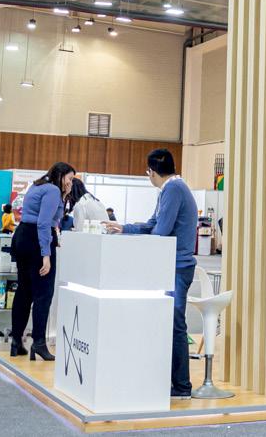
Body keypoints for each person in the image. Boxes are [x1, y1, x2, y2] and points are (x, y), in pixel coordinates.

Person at [105, 149, 197, 399]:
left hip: (177, 266)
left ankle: (182, 386)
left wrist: (136, 231)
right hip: (173, 265)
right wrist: (125, 228)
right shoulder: (172, 188)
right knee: (170, 322)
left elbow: (160, 230)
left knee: (175, 324)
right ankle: (175, 383)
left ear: (152, 172)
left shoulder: (173, 189)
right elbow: (153, 224)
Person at [11, 162, 75, 361]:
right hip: (37, 241)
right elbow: (44, 223)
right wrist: (45, 254)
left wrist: (65, 196)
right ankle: (38, 342)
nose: (71, 183)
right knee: (43, 294)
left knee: (24, 291)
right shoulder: (53, 191)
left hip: (22, 236)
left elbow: (44, 217)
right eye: (70, 178)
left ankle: (16, 342)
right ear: (61, 175)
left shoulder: (38, 185)